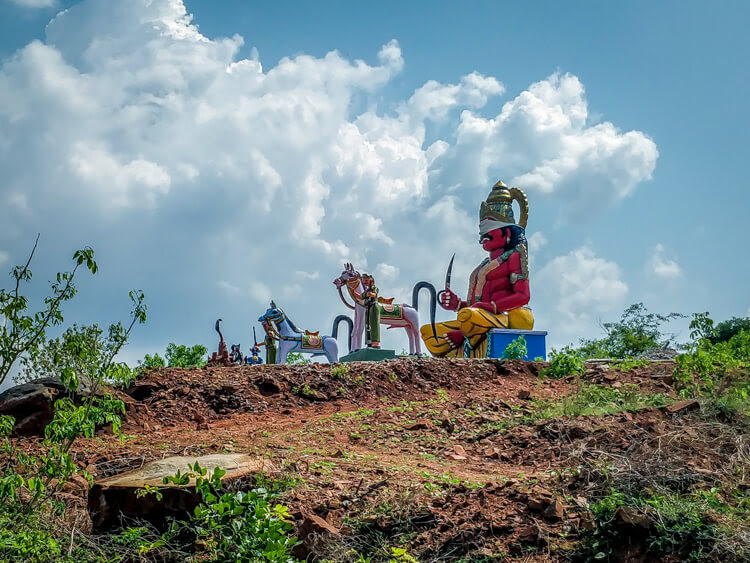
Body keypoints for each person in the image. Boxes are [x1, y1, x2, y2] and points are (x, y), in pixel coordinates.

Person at [421, 180, 533, 358]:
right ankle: (466, 342)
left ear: (507, 234)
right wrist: (457, 304)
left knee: (469, 317)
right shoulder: (482, 267)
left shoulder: (514, 257)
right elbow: (475, 306)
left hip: (505, 317)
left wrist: (490, 307)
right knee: (429, 333)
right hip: (479, 317)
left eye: (490, 229)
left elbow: (523, 296)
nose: (483, 235)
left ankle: (466, 336)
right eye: (482, 230)